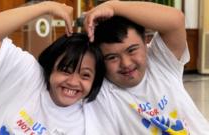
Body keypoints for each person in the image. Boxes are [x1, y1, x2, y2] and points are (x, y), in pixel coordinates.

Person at [0, 1, 116, 135]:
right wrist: (47, 7)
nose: (73, 81)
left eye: (85, 75)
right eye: (65, 70)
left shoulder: (89, 122)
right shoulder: (27, 74)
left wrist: (113, 7)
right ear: (51, 66)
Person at [84, 1, 209, 134]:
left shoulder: (160, 62)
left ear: (145, 42)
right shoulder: (103, 94)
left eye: (132, 50)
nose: (126, 64)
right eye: (112, 57)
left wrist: (113, 6)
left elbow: (176, 20)